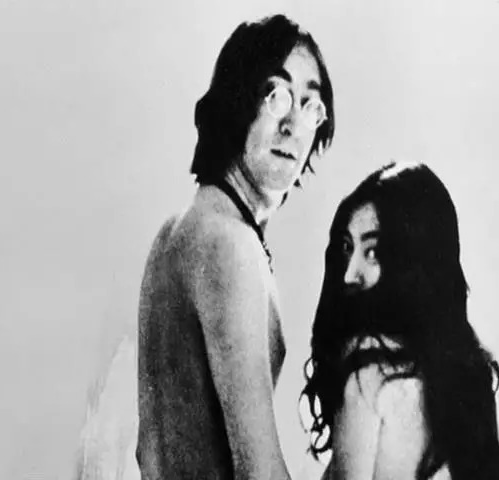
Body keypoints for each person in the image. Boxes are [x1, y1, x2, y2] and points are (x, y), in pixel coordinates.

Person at [137, 14, 335, 480]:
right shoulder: (231, 245)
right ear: (237, 102)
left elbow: (150, 453)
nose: (293, 125)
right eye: (276, 95)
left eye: (311, 106)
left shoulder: (176, 232)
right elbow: (259, 472)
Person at [301, 162, 499, 479]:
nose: (349, 274)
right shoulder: (467, 378)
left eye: (373, 252)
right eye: (347, 248)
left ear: (413, 260)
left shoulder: (367, 373)